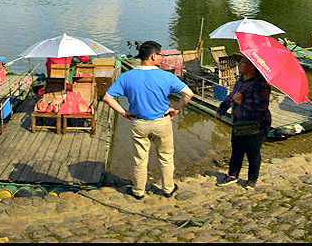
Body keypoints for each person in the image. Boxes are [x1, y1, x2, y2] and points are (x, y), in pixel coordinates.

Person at [102, 41, 194, 200]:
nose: (162, 57)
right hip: (162, 122)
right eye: (161, 55)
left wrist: (124, 112)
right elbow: (188, 94)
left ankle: (138, 190)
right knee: (165, 156)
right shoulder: (166, 75)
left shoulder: (127, 76)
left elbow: (107, 98)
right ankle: (168, 188)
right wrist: (176, 108)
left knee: (140, 158)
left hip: (139, 123)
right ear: (153, 56)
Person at [215, 54, 271, 188]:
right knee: (237, 150)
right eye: (240, 62)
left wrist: (242, 101)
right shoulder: (241, 80)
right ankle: (232, 175)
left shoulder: (260, 83)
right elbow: (232, 95)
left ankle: (252, 179)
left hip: (257, 123)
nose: (240, 65)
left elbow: (261, 106)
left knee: (253, 152)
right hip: (240, 121)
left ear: (253, 67)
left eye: (244, 63)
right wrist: (222, 109)